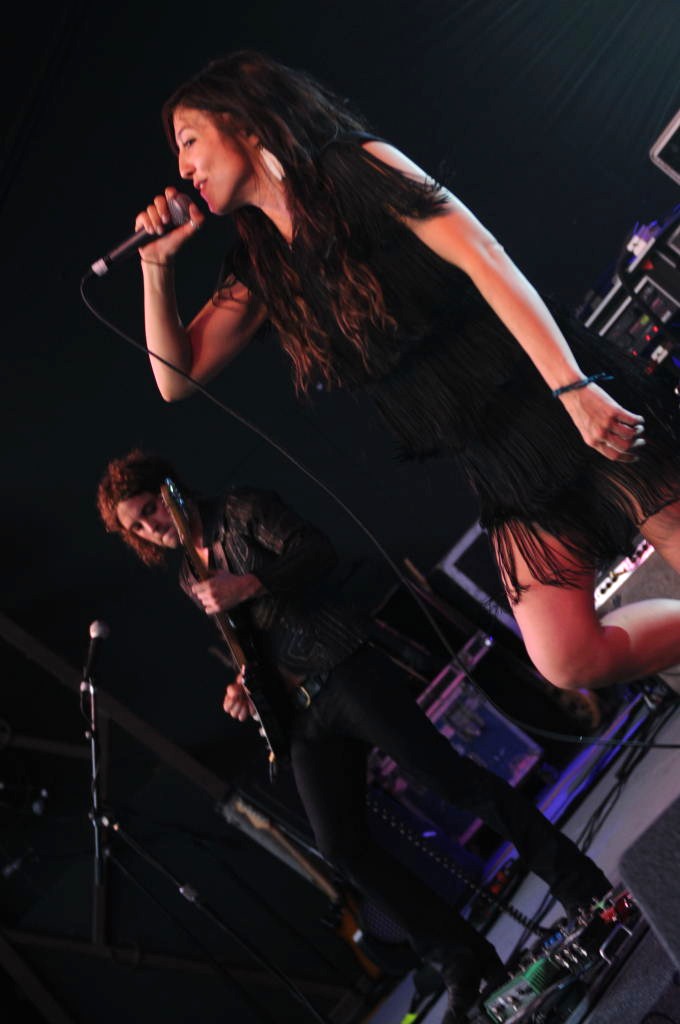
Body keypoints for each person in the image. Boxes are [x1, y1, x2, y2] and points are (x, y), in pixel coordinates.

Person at [126, 50, 680, 696]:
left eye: (188, 140)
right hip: (498, 457)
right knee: (567, 657)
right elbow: (175, 379)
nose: (183, 168)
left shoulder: (354, 166)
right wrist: (156, 266)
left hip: (546, 392)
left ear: (243, 120)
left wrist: (573, 387)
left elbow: (485, 256)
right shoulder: (261, 266)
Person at [96, 448, 613, 1023]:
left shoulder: (240, 510)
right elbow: (255, 642)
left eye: (150, 509)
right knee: (341, 846)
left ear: (170, 488)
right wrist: (244, 686)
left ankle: (581, 887)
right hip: (301, 713)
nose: (152, 527)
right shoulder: (189, 577)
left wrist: (249, 583)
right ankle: (462, 959)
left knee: (453, 782)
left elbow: (316, 551)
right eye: (137, 527)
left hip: (345, 670)